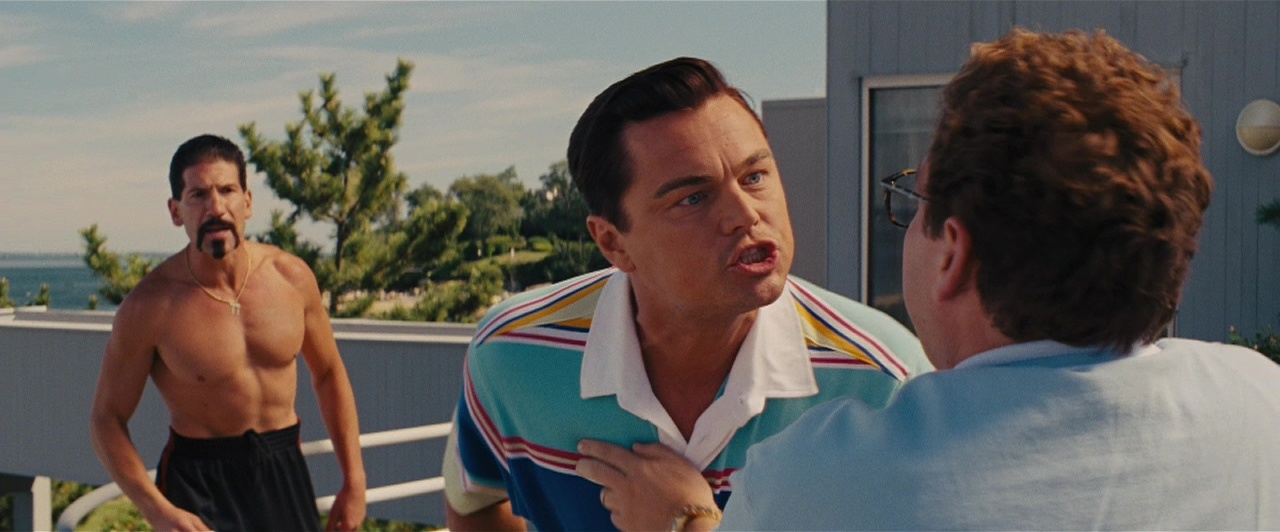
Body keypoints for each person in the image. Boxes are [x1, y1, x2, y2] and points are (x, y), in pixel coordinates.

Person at [577, 28, 1280, 530]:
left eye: (914, 201)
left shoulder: (815, 482)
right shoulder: (1260, 403)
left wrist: (689, 520)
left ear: (953, 254)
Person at [441, 57, 932, 531]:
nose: (745, 213)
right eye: (693, 198)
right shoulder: (510, 352)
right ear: (613, 243)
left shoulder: (886, 383)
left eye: (754, 177)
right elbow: (473, 501)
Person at [89, 134, 367, 532]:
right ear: (176, 211)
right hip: (198, 484)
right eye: (198, 195)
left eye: (227, 191)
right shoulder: (149, 306)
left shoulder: (291, 278)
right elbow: (106, 418)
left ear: (248, 202)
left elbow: (328, 374)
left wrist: (354, 480)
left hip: (282, 470)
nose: (216, 208)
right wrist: (157, 510)